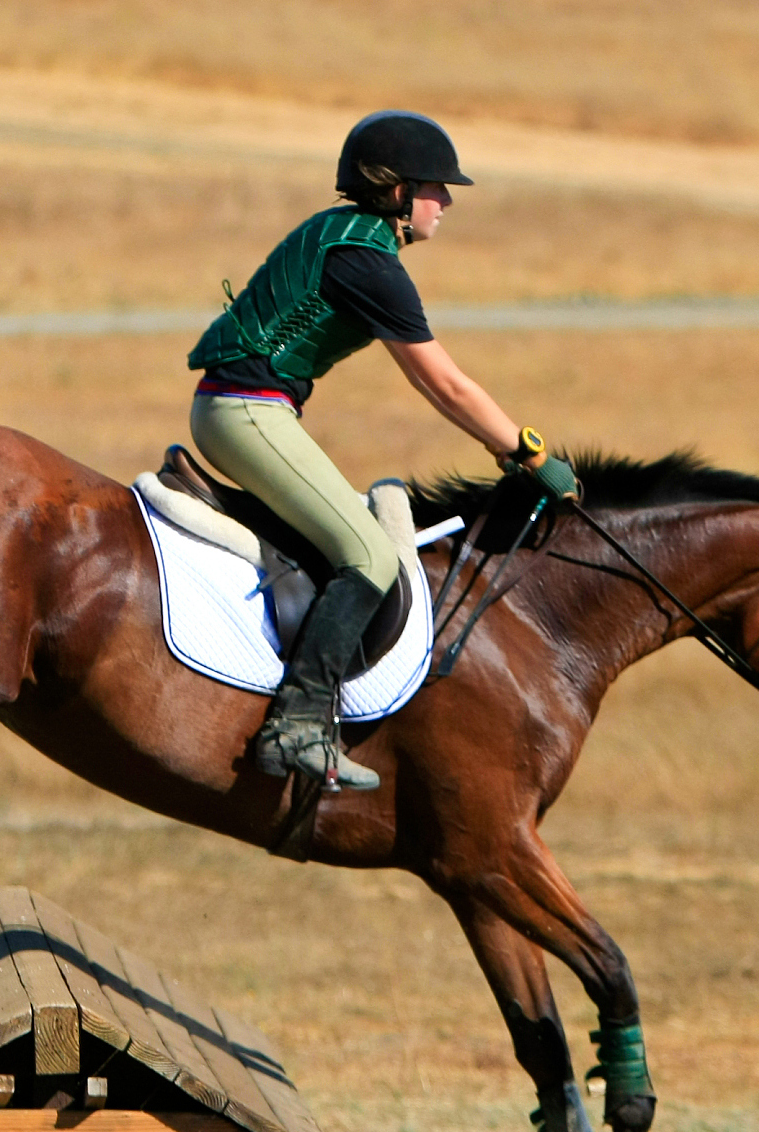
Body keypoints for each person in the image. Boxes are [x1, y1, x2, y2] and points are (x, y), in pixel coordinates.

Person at [187, 110, 580, 793]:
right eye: (436, 187)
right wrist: (528, 451)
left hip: (245, 406)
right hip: (245, 412)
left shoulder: (345, 237)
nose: (447, 202)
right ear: (396, 191)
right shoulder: (368, 262)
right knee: (370, 555)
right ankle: (300, 723)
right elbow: (446, 384)